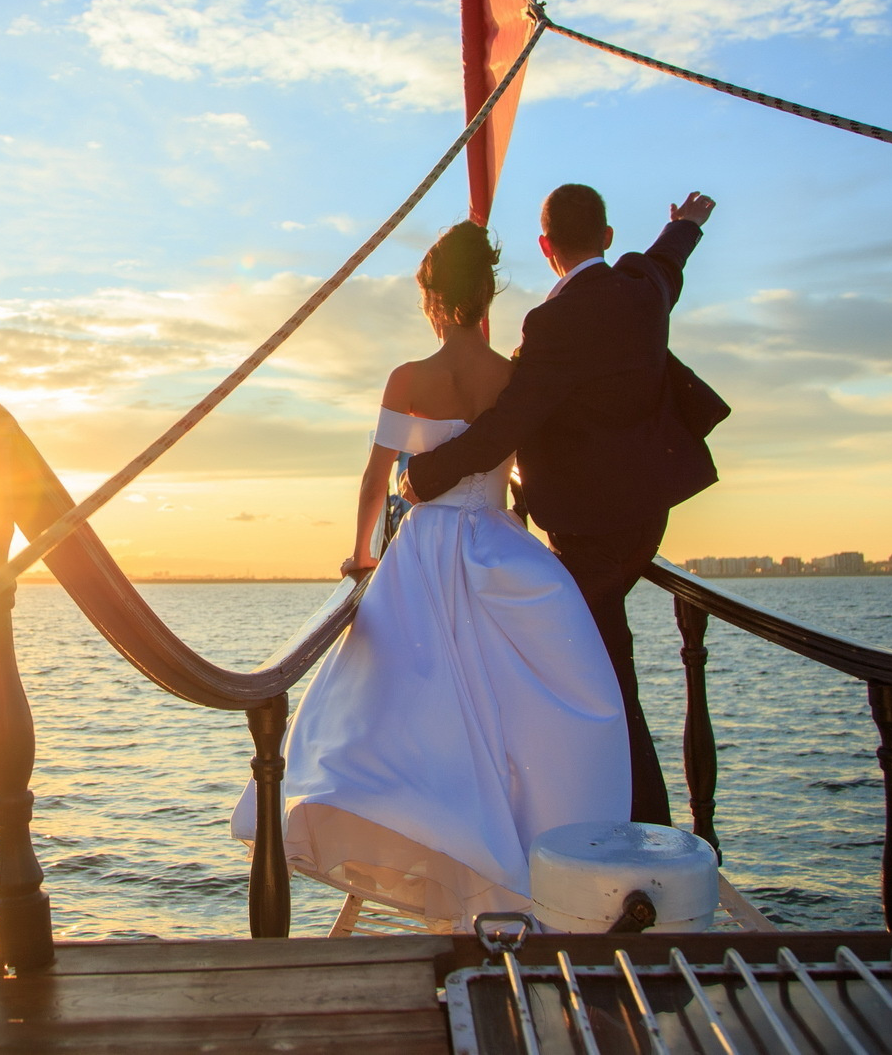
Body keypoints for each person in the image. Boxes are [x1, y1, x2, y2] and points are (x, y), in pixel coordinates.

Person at [232, 221, 630, 929]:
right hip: (501, 549)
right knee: (515, 713)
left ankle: (441, 840)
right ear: (487, 293)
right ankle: (531, 850)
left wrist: (363, 558)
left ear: (432, 299)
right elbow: (520, 476)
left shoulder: (409, 378)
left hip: (423, 552)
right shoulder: (513, 375)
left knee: (414, 709)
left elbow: (375, 477)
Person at [401, 185, 719, 825]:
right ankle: (622, 817)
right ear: (606, 236)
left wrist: (425, 475)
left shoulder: (555, 323)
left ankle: (630, 823)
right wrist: (686, 223)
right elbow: (666, 264)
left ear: (545, 247)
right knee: (601, 658)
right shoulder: (639, 286)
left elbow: (509, 422)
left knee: (592, 677)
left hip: (590, 527)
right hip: (646, 514)